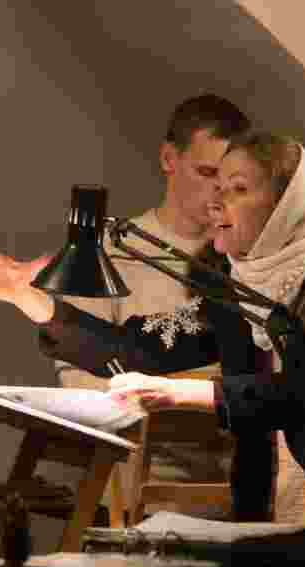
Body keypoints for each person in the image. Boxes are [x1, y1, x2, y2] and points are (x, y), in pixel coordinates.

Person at [0, 131, 305, 540]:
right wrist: (38, 304)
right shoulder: (236, 289)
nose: (216, 204)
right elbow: (142, 349)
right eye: (217, 188)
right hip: (267, 521)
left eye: (238, 189)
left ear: (286, 205)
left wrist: (191, 393)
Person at [52, 93, 253, 522]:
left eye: (230, 180)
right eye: (206, 173)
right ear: (168, 159)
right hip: (133, 488)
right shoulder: (111, 252)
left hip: (234, 484)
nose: (217, 192)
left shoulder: (251, 262)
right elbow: (78, 380)